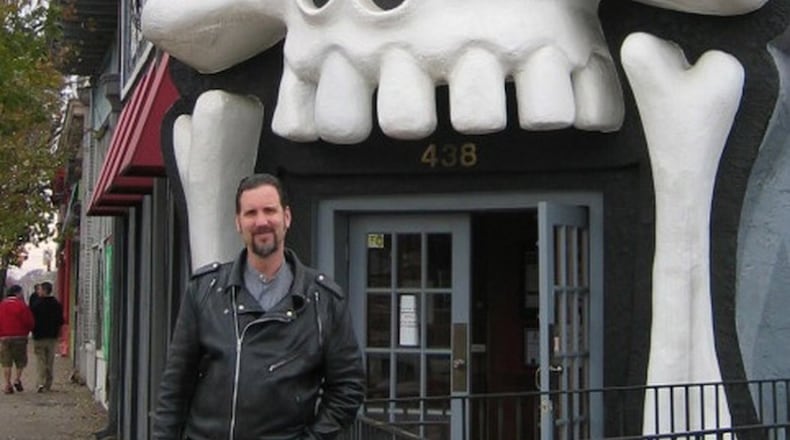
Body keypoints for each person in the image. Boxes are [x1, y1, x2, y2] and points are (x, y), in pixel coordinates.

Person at [154, 173, 365, 440]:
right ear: (238, 223)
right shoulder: (204, 291)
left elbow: (348, 387)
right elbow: (175, 386)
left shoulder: (323, 300)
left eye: (269, 211)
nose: (261, 222)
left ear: (286, 217)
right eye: (251, 213)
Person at [30, 281, 64, 392]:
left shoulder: (36, 305)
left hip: (39, 337)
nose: (38, 291)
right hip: (52, 337)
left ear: (44, 291)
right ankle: (48, 383)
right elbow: (60, 321)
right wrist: (59, 334)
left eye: (39, 289)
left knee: (41, 360)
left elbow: (31, 320)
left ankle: (41, 383)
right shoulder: (57, 304)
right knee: (50, 361)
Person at [0, 284, 35, 394]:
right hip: (20, 337)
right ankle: (17, 379)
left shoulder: (2, 305)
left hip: (4, 337)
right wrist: (27, 331)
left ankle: (7, 384)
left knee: (6, 362)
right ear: (17, 293)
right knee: (20, 360)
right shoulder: (22, 306)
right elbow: (29, 322)